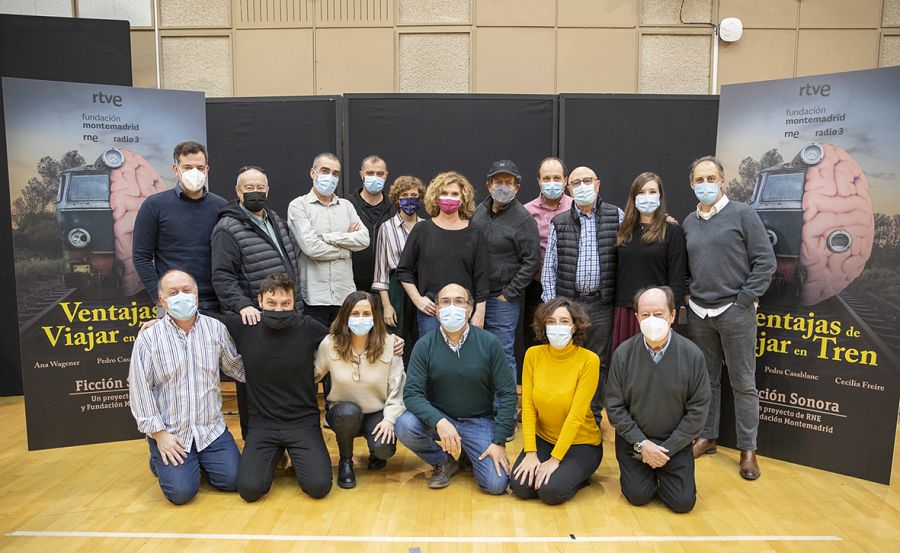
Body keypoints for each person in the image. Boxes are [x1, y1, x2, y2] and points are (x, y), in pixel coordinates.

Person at [682, 156, 775, 480]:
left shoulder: (743, 214)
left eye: (711, 178)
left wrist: (743, 301)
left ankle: (748, 449)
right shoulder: (689, 222)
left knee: (743, 384)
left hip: (735, 313)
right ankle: (707, 437)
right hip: (699, 314)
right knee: (707, 381)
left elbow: (765, 262)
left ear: (722, 181)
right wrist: (688, 298)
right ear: (692, 184)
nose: (705, 184)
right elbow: (687, 265)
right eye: (699, 179)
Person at [127, 269, 244, 505]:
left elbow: (235, 367)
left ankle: (198, 460)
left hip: (210, 430)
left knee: (235, 481)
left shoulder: (216, 329)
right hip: (172, 433)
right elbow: (139, 389)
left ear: (197, 295)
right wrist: (159, 435)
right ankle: (159, 456)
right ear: (162, 300)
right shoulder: (149, 338)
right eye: (173, 292)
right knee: (181, 494)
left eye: (186, 290)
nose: (181, 296)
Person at [395, 284, 516, 494]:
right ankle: (444, 461)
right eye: (445, 301)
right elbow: (412, 394)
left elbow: (507, 393)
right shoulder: (424, 345)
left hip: (478, 421)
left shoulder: (489, 343)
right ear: (437, 309)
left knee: (496, 484)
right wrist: (439, 421)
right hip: (440, 419)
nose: (452, 307)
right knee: (405, 425)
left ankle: (469, 453)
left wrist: (499, 442)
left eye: (459, 301)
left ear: (469, 309)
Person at [223, 273, 333, 502]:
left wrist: (390, 341)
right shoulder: (245, 325)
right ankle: (277, 454)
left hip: (302, 422)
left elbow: (345, 340)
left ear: (294, 303)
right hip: (263, 424)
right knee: (250, 490)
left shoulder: (309, 327)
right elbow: (200, 319)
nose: (278, 310)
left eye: (285, 304)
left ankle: (295, 454)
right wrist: (161, 319)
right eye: (271, 303)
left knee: (319, 487)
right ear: (260, 301)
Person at [211, 165, 302, 439]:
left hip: (283, 313)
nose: (255, 192)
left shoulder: (275, 219)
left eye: (259, 187)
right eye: (248, 188)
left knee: (284, 380)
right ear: (237, 191)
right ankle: (256, 443)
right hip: (255, 318)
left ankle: (286, 439)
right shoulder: (227, 228)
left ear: (267, 190)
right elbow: (222, 275)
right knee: (254, 385)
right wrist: (243, 306)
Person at [605, 287, 710, 513]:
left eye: (659, 314)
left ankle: (663, 473)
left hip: (674, 445)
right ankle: (647, 475)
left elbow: (698, 410)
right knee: (638, 496)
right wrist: (643, 446)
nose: (652, 320)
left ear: (672, 315)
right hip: (635, 443)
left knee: (683, 503)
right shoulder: (623, 354)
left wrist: (667, 450)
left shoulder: (692, 355)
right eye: (645, 315)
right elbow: (614, 408)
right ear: (636, 318)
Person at [541, 165, 622, 411]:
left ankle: (593, 415)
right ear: (569, 188)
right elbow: (549, 267)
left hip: (602, 304)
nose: (583, 186)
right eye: (577, 183)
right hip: (570, 305)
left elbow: (637, 242)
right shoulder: (559, 221)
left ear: (598, 185)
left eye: (588, 181)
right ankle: (565, 413)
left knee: (598, 362)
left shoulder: (616, 215)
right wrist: (552, 307)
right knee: (567, 360)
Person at [510, 297, 602, 505]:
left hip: (581, 443)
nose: (557, 327)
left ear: (574, 327)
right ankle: (559, 472)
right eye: (551, 322)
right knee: (520, 487)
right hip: (545, 439)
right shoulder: (533, 355)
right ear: (543, 326)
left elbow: (576, 416)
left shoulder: (589, 360)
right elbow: (529, 407)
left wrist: (555, 460)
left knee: (549, 492)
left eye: (564, 321)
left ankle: (579, 476)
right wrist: (531, 453)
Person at [315, 291, 406, 489]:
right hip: (342, 413)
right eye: (355, 314)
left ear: (375, 317)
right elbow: (313, 375)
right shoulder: (330, 344)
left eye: (366, 314)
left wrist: (389, 420)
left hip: (376, 413)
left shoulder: (390, 344)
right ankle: (346, 460)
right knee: (349, 412)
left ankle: (375, 452)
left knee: (384, 449)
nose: (361, 319)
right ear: (345, 316)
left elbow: (397, 389)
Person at [132, 141, 227, 312]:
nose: (194, 173)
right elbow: (141, 256)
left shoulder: (221, 206)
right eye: (188, 167)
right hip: (171, 301)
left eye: (199, 167)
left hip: (216, 302)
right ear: (176, 169)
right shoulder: (154, 206)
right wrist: (159, 298)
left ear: (207, 169)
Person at [472, 159, 540, 392]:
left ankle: (505, 412)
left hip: (502, 300)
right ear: (488, 184)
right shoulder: (478, 212)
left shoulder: (523, 219)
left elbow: (531, 262)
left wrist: (508, 293)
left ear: (517, 187)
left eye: (508, 182)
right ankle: (482, 406)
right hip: (475, 296)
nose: (503, 186)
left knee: (502, 353)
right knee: (476, 354)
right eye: (498, 181)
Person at [397, 172, 489, 337]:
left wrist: (480, 313)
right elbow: (404, 270)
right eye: (444, 193)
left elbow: (482, 277)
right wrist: (418, 300)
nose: (449, 197)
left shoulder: (476, 232)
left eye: (454, 194)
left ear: (463, 199)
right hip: (431, 313)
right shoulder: (422, 230)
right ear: (436, 197)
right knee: (433, 360)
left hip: (464, 312)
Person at [287, 152, 369, 327]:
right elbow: (311, 248)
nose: (330, 177)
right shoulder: (298, 206)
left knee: (344, 351)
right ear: (312, 173)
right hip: (314, 298)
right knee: (317, 352)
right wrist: (346, 248)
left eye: (335, 173)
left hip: (344, 296)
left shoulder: (346, 206)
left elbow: (364, 239)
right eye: (325, 170)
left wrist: (328, 238)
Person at [612, 172, 687, 351]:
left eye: (652, 191)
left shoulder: (672, 231)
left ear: (660, 196)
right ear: (633, 197)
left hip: (657, 313)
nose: (647, 197)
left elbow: (677, 279)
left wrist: (670, 316)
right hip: (626, 310)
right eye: (642, 192)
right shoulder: (624, 231)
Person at [372, 175, 425, 365]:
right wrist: (386, 305)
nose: (409, 199)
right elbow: (381, 271)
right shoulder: (386, 228)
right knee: (395, 341)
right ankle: (395, 389)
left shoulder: (427, 227)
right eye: (405, 195)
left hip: (422, 286)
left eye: (414, 195)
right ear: (397, 199)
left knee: (421, 338)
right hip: (396, 288)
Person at [523, 157, 573, 349]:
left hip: (568, 286)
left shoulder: (576, 207)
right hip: (536, 287)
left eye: (557, 178)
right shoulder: (526, 212)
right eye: (547, 178)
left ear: (565, 180)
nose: (552, 182)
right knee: (535, 340)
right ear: (539, 181)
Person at [347, 155, 396, 293]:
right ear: (362, 175)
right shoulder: (347, 206)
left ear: (386, 175)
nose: (375, 177)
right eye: (370, 173)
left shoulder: (395, 208)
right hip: (352, 288)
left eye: (379, 174)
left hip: (386, 289)